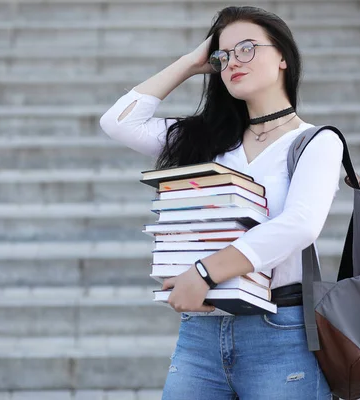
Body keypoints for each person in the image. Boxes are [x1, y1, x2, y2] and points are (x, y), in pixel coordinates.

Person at [100, 6, 341, 400]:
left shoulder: (315, 142)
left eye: (246, 48)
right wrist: (190, 63)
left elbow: (300, 224)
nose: (232, 62)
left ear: (283, 56)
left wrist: (204, 273)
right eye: (223, 55)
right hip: (200, 337)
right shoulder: (206, 141)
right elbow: (119, 122)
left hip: (280, 335)